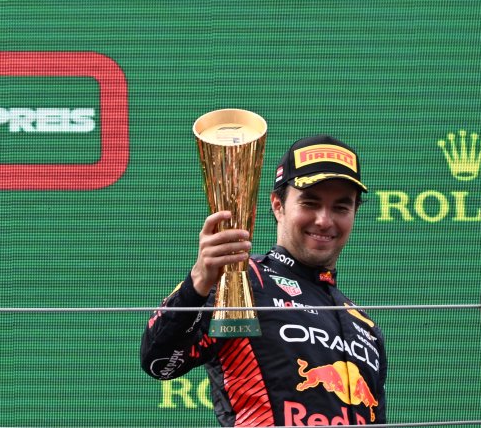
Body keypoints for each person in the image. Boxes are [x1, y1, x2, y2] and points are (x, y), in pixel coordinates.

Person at [141, 135, 388, 426]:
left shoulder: (365, 326)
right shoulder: (240, 280)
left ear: (355, 214)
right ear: (277, 205)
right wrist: (199, 279)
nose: (324, 220)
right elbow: (160, 363)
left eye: (340, 208)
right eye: (310, 203)